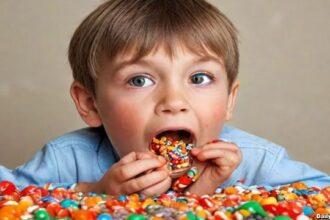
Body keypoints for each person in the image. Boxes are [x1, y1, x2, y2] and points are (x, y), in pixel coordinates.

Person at [0, 0, 329, 196]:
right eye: (139, 80)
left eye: (199, 78)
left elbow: (321, 194)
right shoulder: (67, 160)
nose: (174, 100)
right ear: (90, 103)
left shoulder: (255, 161)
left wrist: (225, 191)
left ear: (229, 99)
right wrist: (93, 193)